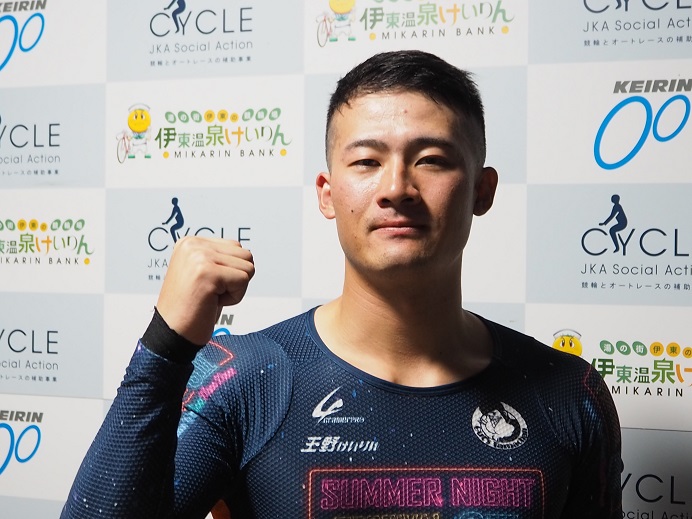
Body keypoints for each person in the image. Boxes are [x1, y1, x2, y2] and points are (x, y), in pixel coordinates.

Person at [61, 50, 623, 518]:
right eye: (367, 162)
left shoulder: (569, 394)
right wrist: (166, 346)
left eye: (431, 159)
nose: (396, 187)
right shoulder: (246, 380)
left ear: (482, 190)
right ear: (327, 194)